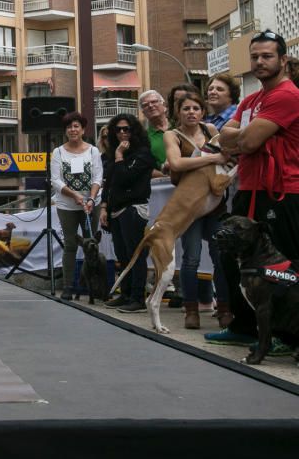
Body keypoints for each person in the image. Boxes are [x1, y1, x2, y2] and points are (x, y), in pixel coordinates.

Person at [206, 30, 299, 355]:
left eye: (267, 56)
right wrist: (239, 136)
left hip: (282, 194)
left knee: (283, 270)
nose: (259, 62)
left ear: (283, 60)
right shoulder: (251, 99)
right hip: (248, 190)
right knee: (238, 262)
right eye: (255, 56)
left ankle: (286, 337)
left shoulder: (286, 95)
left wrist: (240, 136)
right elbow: (220, 138)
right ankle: (245, 328)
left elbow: (243, 142)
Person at [163, 91, 230, 329]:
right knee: (190, 259)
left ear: (203, 111)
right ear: (177, 113)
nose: (191, 112)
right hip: (189, 206)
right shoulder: (172, 135)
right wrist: (212, 159)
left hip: (214, 204)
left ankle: (224, 308)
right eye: (186, 108)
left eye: (196, 108)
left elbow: (229, 156)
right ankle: (191, 310)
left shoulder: (211, 131)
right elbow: (177, 163)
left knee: (221, 258)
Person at [99, 114, 154, 313]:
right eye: (118, 129)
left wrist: (120, 157)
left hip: (133, 209)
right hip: (116, 210)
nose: (122, 132)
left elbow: (125, 178)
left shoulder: (143, 153)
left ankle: (138, 298)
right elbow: (110, 183)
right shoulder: (115, 154)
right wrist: (104, 207)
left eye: (126, 129)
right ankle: (126, 293)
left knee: (135, 255)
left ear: (134, 131)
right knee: (122, 255)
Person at [50, 112, 103, 301]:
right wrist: (74, 195)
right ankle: (68, 286)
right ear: (65, 131)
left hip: (90, 205)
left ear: (83, 129)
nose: (73, 130)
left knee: (91, 245)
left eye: (76, 126)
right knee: (70, 245)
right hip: (67, 206)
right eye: (69, 127)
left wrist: (91, 199)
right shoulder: (58, 152)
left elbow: (98, 177)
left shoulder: (93, 151)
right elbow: (55, 180)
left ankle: (95, 288)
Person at [138, 90, 169, 177]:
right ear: (143, 112)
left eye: (154, 101)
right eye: (145, 105)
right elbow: (144, 167)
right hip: (164, 183)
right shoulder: (143, 138)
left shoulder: (179, 126)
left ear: (164, 105)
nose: (151, 106)